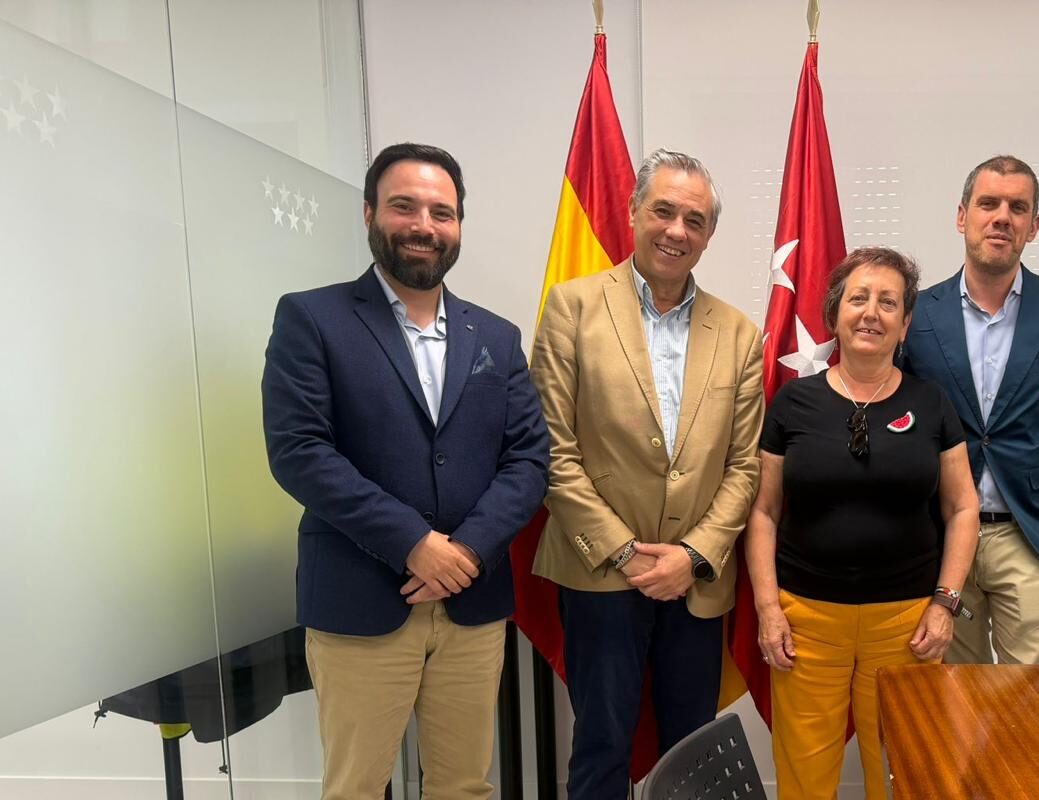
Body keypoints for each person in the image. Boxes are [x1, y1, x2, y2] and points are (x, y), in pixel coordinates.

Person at [263, 142, 550, 799]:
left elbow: (529, 459)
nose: (424, 224)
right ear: (369, 213)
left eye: (441, 212)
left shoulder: (496, 338)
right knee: (356, 787)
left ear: (457, 227)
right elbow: (299, 450)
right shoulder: (313, 319)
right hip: (361, 598)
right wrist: (414, 544)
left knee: (464, 785)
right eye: (404, 206)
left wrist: (469, 551)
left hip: (471, 605)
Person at [530, 149, 764, 799]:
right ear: (634, 213)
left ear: (708, 235)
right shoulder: (571, 308)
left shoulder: (741, 334)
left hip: (695, 581)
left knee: (691, 745)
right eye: (663, 211)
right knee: (603, 741)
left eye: (694, 219)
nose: (676, 230)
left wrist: (692, 555)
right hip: (600, 571)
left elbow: (744, 467)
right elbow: (552, 447)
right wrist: (627, 553)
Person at [748, 246, 980, 800]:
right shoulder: (792, 403)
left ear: (904, 324)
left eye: (888, 302)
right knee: (804, 777)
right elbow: (763, 511)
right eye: (858, 298)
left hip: (907, 624)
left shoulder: (932, 402)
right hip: (806, 621)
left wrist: (946, 604)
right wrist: (767, 609)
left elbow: (962, 507)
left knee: (906, 772)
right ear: (835, 315)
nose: (871, 312)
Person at [900, 155, 1039, 665]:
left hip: (1025, 533)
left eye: (1018, 207)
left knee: (1033, 705)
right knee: (950, 700)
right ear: (961, 216)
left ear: (1033, 227)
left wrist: (1036, 478)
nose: (1002, 217)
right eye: (988, 203)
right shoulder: (917, 312)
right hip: (940, 533)